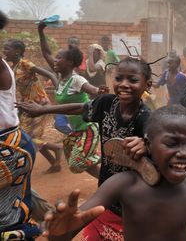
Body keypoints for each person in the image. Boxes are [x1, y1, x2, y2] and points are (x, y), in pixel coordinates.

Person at [41, 105, 186, 241]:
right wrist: (60, 233)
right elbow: (68, 229)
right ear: (148, 145)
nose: (184, 153)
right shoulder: (123, 184)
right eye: (172, 144)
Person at [16, 56, 153, 240]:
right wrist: (43, 110)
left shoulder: (146, 118)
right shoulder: (107, 103)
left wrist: (147, 144)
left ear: (148, 84)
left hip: (134, 205)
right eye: (119, 78)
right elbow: (81, 108)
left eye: (133, 80)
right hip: (106, 196)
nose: (124, 84)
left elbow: (158, 145)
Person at [37, 20, 104, 178]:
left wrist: (99, 91)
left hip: (88, 128)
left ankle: (107, 160)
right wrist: (40, 30)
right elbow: (46, 53)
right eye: (56, 57)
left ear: (70, 63)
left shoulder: (76, 80)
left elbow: (93, 90)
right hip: (76, 131)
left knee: (76, 163)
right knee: (79, 162)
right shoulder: (61, 80)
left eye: (59, 58)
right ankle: (106, 178)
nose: (55, 60)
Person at [0, 10, 41, 240]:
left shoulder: (9, 66)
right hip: (14, 136)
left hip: (9, 146)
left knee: (8, 220)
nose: (6, 51)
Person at [2, 39, 63, 174]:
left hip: (40, 105)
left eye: (7, 48)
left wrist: (58, 86)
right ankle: (54, 163)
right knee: (25, 137)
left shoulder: (25, 64)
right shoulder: (13, 68)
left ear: (17, 51)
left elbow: (49, 74)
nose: (4, 51)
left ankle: (57, 148)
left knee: (27, 138)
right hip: (28, 107)